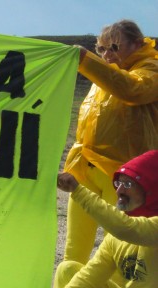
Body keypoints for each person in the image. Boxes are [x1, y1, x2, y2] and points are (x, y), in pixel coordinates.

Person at [30, 150, 158, 288]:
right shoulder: (115, 238)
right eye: (118, 182)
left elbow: (128, 229)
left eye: (128, 184)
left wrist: (78, 190)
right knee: (68, 270)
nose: (120, 190)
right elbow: (88, 280)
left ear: (150, 188)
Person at [62, 19, 158, 265]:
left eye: (114, 47)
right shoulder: (102, 78)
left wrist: (86, 60)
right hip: (85, 169)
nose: (106, 55)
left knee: (118, 252)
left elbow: (132, 90)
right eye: (101, 49)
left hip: (124, 176)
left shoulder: (151, 70)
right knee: (74, 249)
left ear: (138, 43)